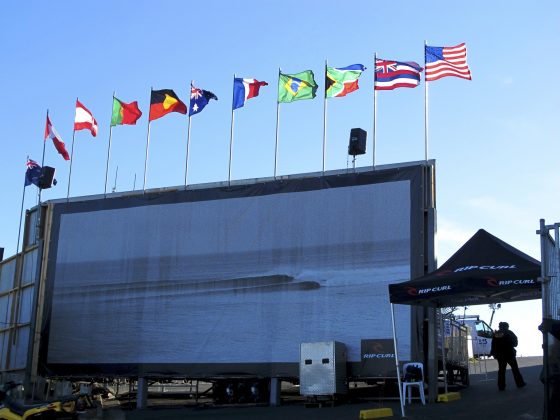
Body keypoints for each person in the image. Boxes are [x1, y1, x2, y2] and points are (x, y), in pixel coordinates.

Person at [490, 321, 526, 390]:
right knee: (515, 370)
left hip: (500, 355)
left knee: (501, 371)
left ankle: (501, 386)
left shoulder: (497, 334)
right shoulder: (509, 333)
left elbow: (493, 345)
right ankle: (520, 384)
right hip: (510, 354)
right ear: (507, 327)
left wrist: (493, 353)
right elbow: (515, 343)